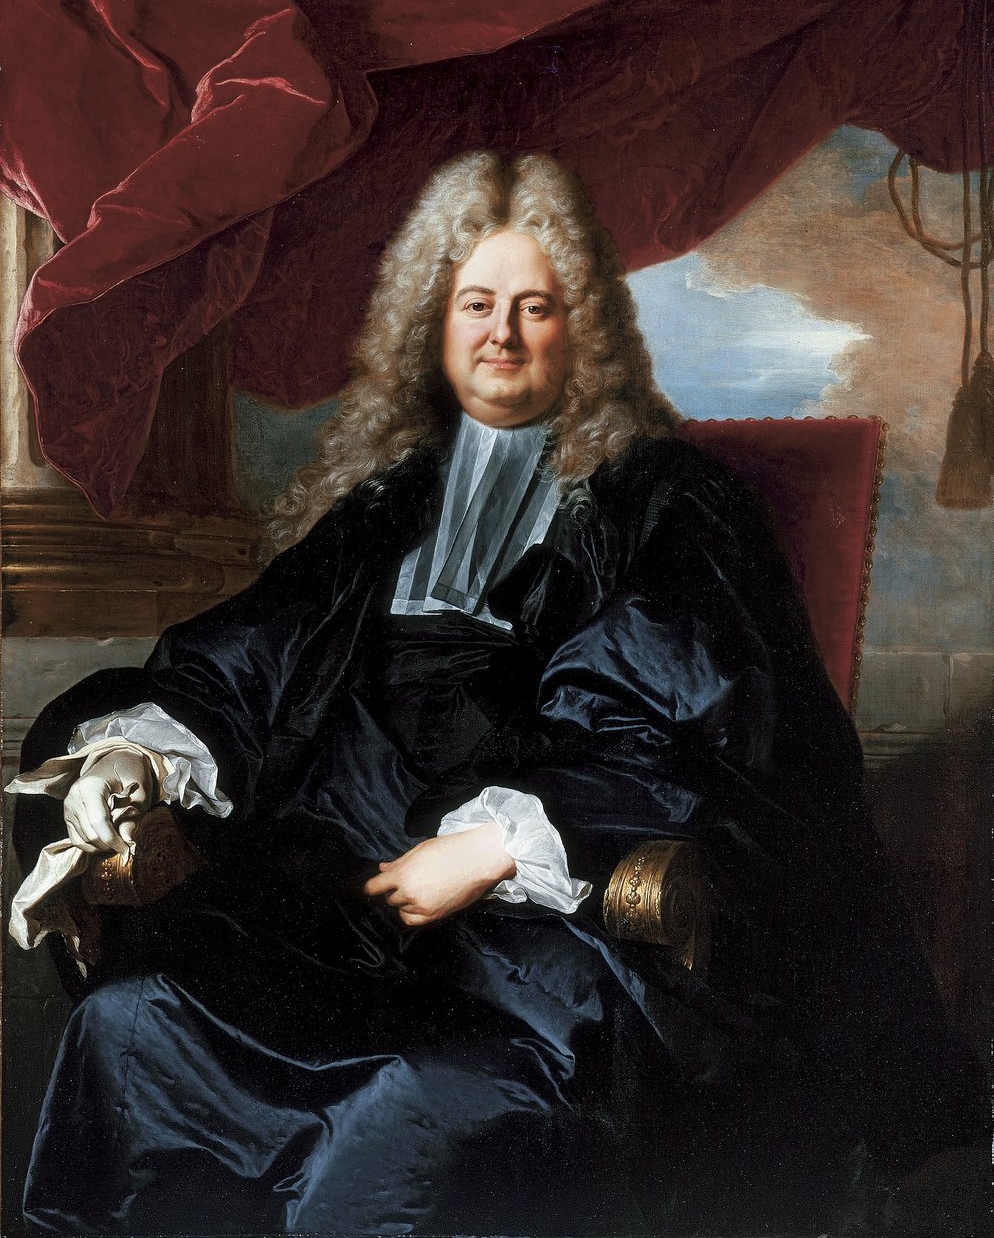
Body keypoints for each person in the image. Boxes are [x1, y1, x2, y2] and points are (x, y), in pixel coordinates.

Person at [10, 151, 982, 1237]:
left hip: (539, 948)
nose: (501, 335)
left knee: (416, 1104)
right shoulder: (383, 510)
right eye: (476, 303)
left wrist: (495, 847)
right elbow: (235, 669)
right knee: (130, 1023)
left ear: (585, 328)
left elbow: (696, 733)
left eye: (535, 307)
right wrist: (127, 761)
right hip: (337, 917)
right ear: (433, 323)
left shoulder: (667, 504)